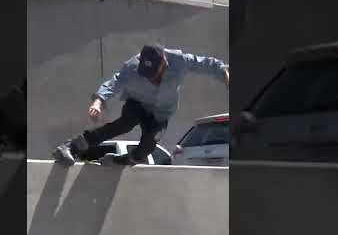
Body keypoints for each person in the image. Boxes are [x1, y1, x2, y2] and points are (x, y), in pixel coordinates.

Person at [53, 45, 229, 166]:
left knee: (146, 149)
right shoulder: (133, 66)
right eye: (147, 76)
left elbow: (208, 64)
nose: (152, 79)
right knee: (124, 124)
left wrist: (225, 74)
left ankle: (121, 161)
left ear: (165, 63)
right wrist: (99, 101)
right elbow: (116, 81)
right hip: (137, 103)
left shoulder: (180, 60)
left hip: (160, 113)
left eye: (155, 75)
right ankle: (71, 146)